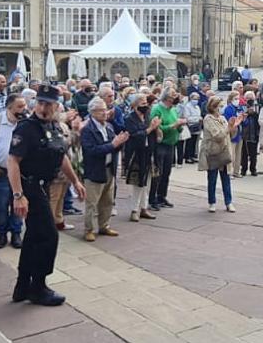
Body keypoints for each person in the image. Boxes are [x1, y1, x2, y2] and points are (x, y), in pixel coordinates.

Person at [8, 85, 86, 306]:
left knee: (33, 237)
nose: (43, 107)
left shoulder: (54, 126)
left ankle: (22, 285)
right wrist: (18, 195)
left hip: (45, 185)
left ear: (56, 106)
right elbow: (13, 161)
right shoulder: (26, 128)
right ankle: (38, 286)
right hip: (30, 188)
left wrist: (75, 181)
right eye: (40, 103)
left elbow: (61, 156)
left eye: (48, 104)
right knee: (49, 236)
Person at [79, 98, 128, 241]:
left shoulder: (108, 126)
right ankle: (89, 229)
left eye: (105, 109)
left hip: (109, 168)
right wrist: (113, 145)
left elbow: (114, 144)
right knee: (92, 203)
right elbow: (91, 151)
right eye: (101, 110)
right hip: (95, 170)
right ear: (92, 112)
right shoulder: (88, 129)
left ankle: (104, 226)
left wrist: (120, 142)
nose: (105, 113)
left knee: (107, 200)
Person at [0, 93, 26, 249]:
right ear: (9, 107)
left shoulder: (24, 123)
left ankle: (16, 233)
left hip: (20, 172)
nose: (23, 109)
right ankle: (1, 234)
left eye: (24, 106)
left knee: (18, 202)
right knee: (1, 205)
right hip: (1, 171)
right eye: (19, 106)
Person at [122, 92, 159, 222]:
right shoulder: (129, 118)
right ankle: (134, 210)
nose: (146, 106)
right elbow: (135, 135)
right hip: (136, 155)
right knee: (137, 183)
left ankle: (144, 208)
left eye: (146, 103)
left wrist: (156, 128)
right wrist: (150, 129)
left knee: (147, 183)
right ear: (135, 105)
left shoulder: (148, 116)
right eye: (143, 103)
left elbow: (154, 135)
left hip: (148, 153)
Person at [198, 97, 237, 213]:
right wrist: (228, 128)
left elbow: (230, 135)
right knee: (212, 178)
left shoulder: (223, 118)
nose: (221, 108)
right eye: (220, 106)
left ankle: (229, 202)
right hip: (213, 152)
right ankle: (212, 202)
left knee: (226, 178)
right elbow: (218, 135)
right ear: (213, 107)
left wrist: (234, 127)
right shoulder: (208, 119)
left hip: (224, 151)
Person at [149, 89, 187, 209]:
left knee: (166, 172)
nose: (176, 97)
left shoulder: (173, 110)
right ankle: (152, 198)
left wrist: (180, 126)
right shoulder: (157, 109)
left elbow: (176, 125)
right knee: (157, 173)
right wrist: (173, 126)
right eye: (173, 95)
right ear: (166, 98)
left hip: (171, 144)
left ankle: (162, 196)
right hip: (160, 144)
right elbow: (157, 127)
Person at [239, 91, 260, 176]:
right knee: (244, 153)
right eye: (248, 98)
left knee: (253, 153)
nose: (249, 100)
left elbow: (259, 118)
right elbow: (241, 117)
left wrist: (253, 113)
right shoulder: (242, 106)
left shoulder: (257, 106)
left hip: (254, 132)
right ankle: (243, 169)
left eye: (251, 98)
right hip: (245, 133)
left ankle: (253, 169)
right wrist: (247, 112)